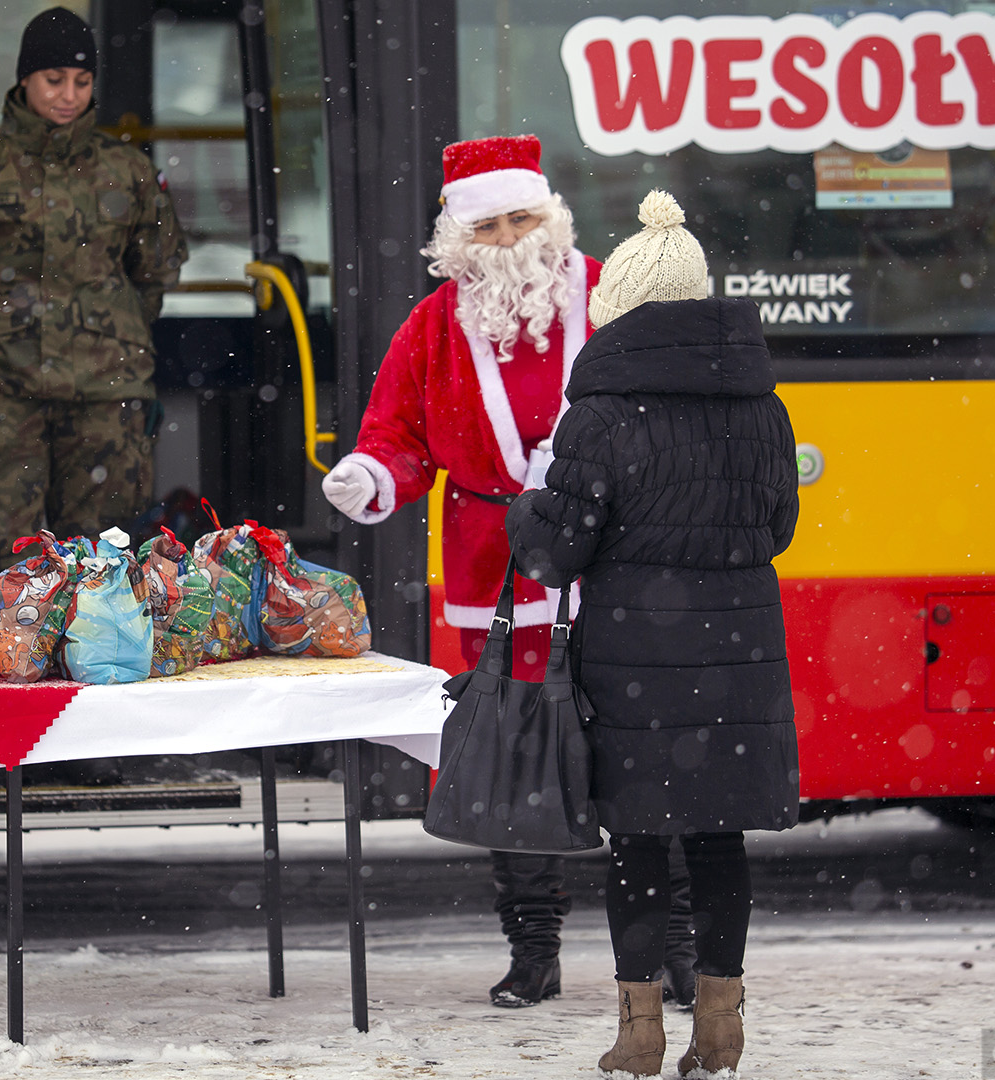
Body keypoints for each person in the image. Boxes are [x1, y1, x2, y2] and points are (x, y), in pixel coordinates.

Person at [505, 190, 801, 1079]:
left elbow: (554, 554)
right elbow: (778, 529)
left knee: (639, 844)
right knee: (720, 842)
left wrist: (528, 508)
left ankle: (638, 1036)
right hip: (742, 660)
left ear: (619, 316)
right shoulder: (765, 409)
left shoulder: (597, 418)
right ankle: (721, 1028)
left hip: (636, 662)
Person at [318, 134, 599, 1008]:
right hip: (493, 569)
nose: (512, 238)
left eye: (523, 217)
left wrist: (594, 463)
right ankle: (534, 950)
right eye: (490, 225)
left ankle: (668, 948)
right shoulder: (436, 325)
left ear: (548, 213)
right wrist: (371, 475)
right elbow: (396, 435)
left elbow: (657, 418)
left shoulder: (608, 298)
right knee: (514, 761)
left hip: (608, 560)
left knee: (631, 751)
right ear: (458, 236)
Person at [0, 7, 186, 565]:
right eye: (54, 80)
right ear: (24, 78)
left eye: (82, 81)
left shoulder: (128, 171)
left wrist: (110, 338)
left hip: (106, 394)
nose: (68, 95)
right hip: (3, 392)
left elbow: (151, 277)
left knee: (106, 560)